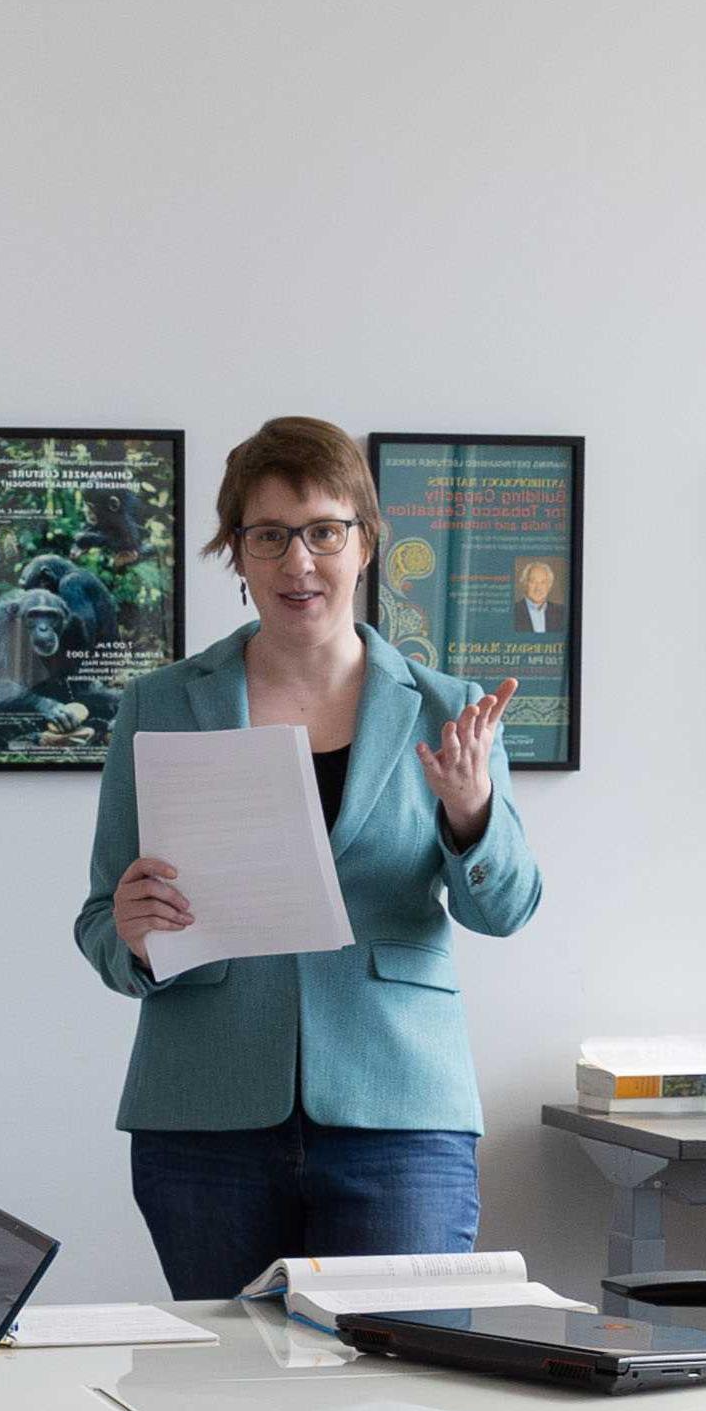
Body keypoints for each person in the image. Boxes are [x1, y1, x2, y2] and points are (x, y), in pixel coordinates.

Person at [76, 416, 540, 1296]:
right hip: (205, 1115)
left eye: (325, 532)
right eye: (270, 536)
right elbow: (103, 917)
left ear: (365, 543)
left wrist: (471, 811)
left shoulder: (450, 707)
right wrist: (132, 934)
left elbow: (506, 908)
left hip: (399, 1108)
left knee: (398, 1390)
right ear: (237, 553)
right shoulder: (162, 703)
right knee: (230, 1402)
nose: (300, 563)